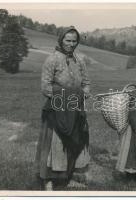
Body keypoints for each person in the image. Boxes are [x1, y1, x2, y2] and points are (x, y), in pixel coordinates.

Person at [35, 26, 91, 190]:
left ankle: (68, 176)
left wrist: (83, 93)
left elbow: (87, 83)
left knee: (74, 143)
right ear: (61, 40)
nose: (71, 44)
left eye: (74, 41)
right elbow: (45, 87)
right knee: (56, 144)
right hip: (57, 109)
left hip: (76, 108)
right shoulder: (52, 60)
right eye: (68, 40)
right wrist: (67, 95)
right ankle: (49, 180)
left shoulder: (79, 60)